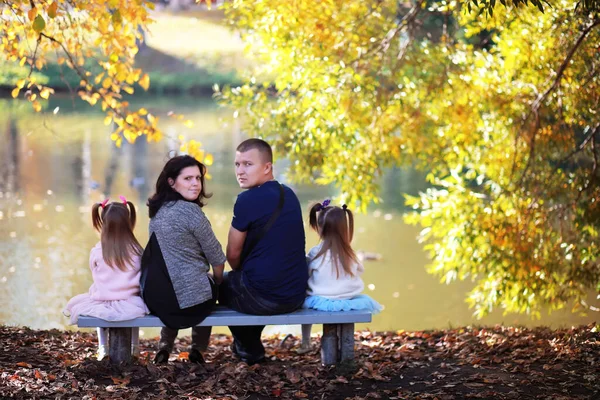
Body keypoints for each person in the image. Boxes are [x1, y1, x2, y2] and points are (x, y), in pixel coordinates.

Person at [220, 138, 308, 365]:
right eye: (237, 164)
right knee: (251, 282)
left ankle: (248, 346)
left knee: (221, 285)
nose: (240, 171)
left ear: (267, 167)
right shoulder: (289, 194)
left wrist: (240, 271)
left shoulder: (246, 200)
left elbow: (232, 255)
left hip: (263, 297)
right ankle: (249, 344)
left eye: (248, 164)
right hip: (295, 295)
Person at [141, 155, 226, 364]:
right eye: (188, 178)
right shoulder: (192, 212)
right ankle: (198, 349)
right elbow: (217, 258)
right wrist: (217, 281)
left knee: (174, 284)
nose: (196, 184)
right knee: (206, 288)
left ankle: (165, 346)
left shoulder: (157, 212)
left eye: (198, 178)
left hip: (158, 300)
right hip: (194, 305)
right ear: (172, 182)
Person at [64, 197, 149, 361]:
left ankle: (103, 347)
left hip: (103, 298)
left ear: (104, 223)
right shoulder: (137, 250)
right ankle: (135, 346)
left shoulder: (97, 250)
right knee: (135, 313)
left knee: (99, 310)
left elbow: (94, 271)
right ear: (128, 222)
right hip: (131, 300)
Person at [299, 200, 382, 353]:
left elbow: (307, 274)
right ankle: (343, 347)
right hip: (347, 299)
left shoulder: (315, 253)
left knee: (304, 296)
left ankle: (305, 342)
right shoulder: (351, 254)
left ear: (320, 229)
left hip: (320, 300)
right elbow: (359, 271)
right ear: (344, 229)